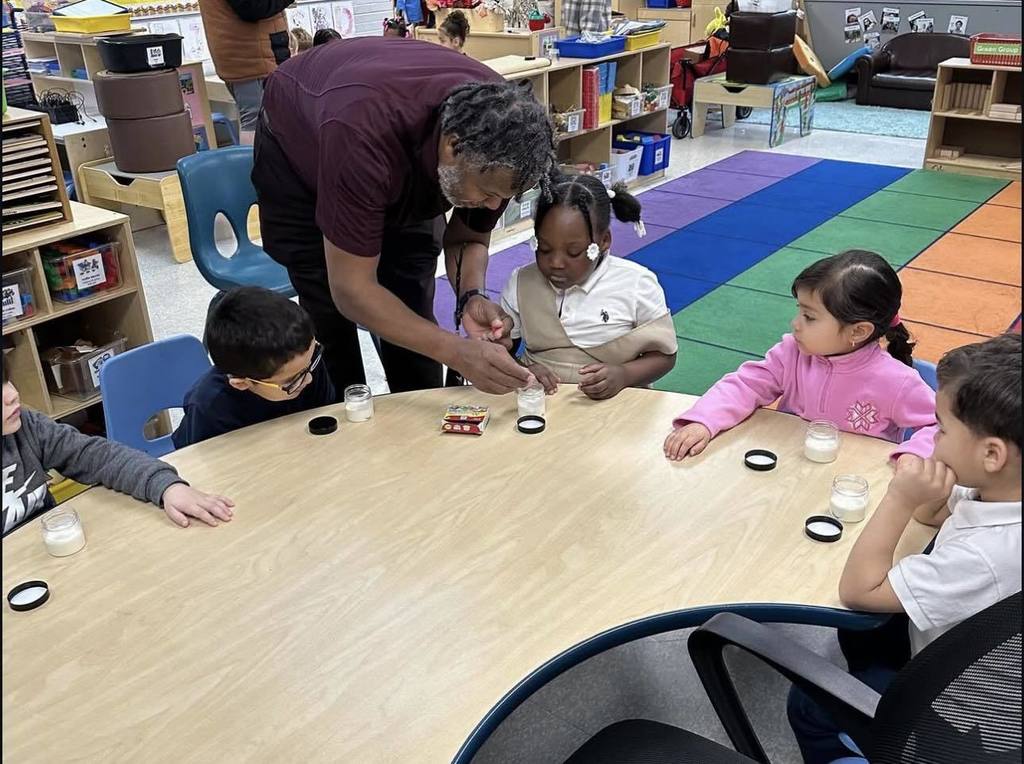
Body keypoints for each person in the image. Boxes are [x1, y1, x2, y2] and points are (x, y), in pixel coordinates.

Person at [253, 38, 556, 398]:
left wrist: (470, 296)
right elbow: (351, 290)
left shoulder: (505, 141)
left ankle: (421, 425)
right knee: (327, 314)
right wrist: (455, 352)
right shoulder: (362, 136)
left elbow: (468, 237)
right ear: (451, 146)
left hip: (392, 138)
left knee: (410, 290)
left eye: (502, 198)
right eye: (489, 193)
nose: (494, 206)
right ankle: (342, 418)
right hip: (302, 143)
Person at [789, 333, 1022, 763]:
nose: (931, 436)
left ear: (992, 454)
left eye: (942, 428)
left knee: (807, 702)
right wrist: (938, 479)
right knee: (862, 631)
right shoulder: (1001, 489)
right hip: (970, 653)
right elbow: (932, 516)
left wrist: (900, 497)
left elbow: (858, 589)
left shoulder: (987, 557)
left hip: (957, 711)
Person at [664, 250, 937, 461]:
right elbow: (745, 385)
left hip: (852, 486)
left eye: (809, 317)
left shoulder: (896, 381)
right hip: (789, 469)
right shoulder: (791, 353)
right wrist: (704, 421)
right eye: (799, 311)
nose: (795, 323)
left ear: (859, 331)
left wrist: (913, 455)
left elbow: (939, 426)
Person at [497, 174, 677, 399]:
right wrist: (522, 370)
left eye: (573, 252)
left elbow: (665, 355)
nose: (556, 263)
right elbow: (501, 351)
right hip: (542, 405)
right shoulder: (521, 282)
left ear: (603, 241)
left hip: (616, 407)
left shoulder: (636, 284)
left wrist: (624, 374)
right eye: (543, 248)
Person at [2, 367, 234, 535]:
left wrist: (166, 486)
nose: (12, 394)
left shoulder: (28, 427)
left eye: (6, 380)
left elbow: (97, 456)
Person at [172, 288, 335, 449]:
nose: (309, 379)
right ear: (242, 383)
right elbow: (207, 469)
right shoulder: (210, 409)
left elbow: (322, 423)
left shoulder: (304, 363)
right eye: (292, 381)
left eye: (313, 356)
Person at [198, 0, 290, 144]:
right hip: (252, 57)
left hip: (245, 54)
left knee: (260, 120)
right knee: (255, 121)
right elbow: (253, 7)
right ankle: (251, 165)